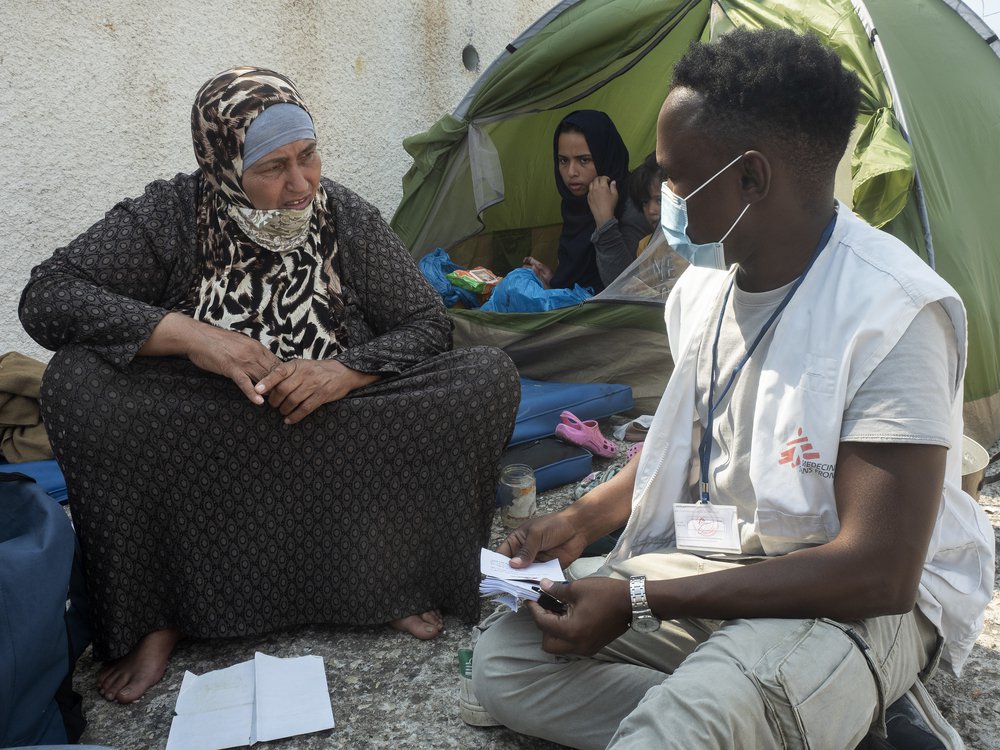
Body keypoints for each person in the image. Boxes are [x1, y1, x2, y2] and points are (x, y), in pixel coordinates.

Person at [470, 29, 993, 749]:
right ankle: (820, 720)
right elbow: (692, 438)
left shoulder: (893, 312)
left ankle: (774, 706)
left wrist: (641, 598)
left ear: (751, 178)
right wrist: (583, 521)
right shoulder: (705, 290)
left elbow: (878, 573)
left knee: (683, 724)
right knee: (510, 660)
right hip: (731, 564)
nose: (664, 202)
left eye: (678, 180)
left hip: (849, 597)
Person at [19, 67, 520, 705]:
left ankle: (387, 583)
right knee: (78, 384)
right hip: (213, 423)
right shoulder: (172, 215)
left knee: (486, 377)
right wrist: (192, 335)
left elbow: (427, 322)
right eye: (272, 167)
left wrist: (345, 373)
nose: (300, 185)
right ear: (223, 163)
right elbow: (47, 297)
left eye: (307, 156)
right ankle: (160, 613)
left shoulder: (341, 215)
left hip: (337, 415)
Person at [522, 110, 648, 292]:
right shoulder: (575, 203)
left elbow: (625, 289)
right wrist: (555, 282)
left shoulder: (632, 205)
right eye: (563, 160)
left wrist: (605, 222)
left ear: (605, 156)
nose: (571, 172)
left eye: (584, 160)